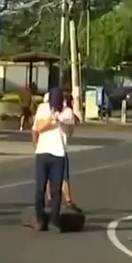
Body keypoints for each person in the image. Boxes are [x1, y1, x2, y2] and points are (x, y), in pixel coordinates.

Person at [32, 88, 75, 232]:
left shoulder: (67, 111)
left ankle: (54, 221)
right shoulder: (43, 109)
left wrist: (62, 121)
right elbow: (38, 128)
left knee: (56, 190)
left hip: (59, 154)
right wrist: (51, 120)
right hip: (43, 152)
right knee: (40, 189)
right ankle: (39, 218)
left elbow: (70, 131)